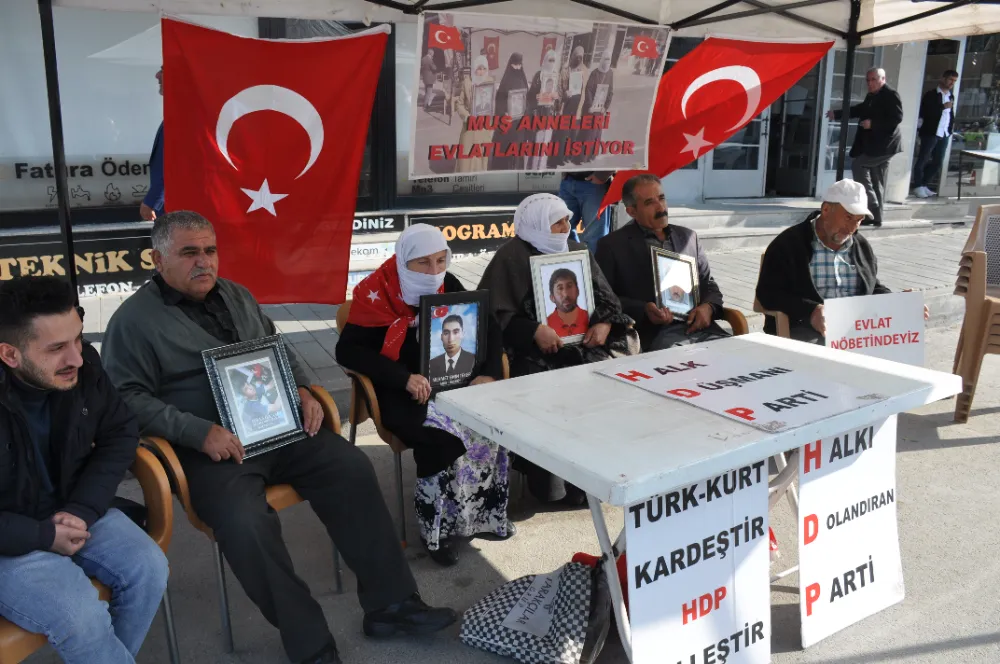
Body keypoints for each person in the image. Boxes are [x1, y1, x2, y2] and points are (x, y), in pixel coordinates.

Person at [101, 212, 455, 664]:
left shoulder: (237, 295)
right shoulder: (132, 321)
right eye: (189, 253)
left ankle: (392, 605)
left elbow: (278, 346)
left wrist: (303, 388)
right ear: (157, 259)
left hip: (278, 428)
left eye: (210, 250)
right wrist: (197, 431)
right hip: (210, 452)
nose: (204, 261)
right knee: (245, 523)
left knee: (351, 467)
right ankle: (310, 642)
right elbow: (125, 399)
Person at [0, 276, 169, 664]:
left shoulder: (83, 366)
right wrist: (42, 535)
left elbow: (120, 432)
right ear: (9, 354)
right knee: (80, 615)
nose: (76, 357)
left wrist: (82, 508)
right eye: (57, 348)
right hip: (9, 537)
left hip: (75, 505)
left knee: (148, 568)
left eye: (78, 338)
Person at [336, 224, 512, 567]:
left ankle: (481, 516)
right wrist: (403, 378)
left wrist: (489, 373)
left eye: (440, 260)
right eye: (423, 263)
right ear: (404, 261)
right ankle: (436, 530)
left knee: (494, 424)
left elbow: (488, 325)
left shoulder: (448, 284)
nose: (434, 272)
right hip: (400, 392)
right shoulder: (376, 293)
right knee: (442, 438)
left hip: (451, 381)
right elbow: (348, 351)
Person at [477, 193, 637, 505]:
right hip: (534, 352)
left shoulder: (577, 250)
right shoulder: (511, 257)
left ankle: (600, 477)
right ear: (536, 225)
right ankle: (556, 487)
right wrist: (533, 330)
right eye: (557, 222)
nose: (566, 227)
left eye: (567, 220)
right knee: (548, 392)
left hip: (584, 345)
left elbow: (608, 300)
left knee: (608, 385)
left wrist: (604, 323)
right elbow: (492, 315)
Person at [755, 180, 929, 344]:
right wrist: (810, 311)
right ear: (826, 210)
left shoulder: (860, 246)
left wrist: (898, 301)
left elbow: (871, 287)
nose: (852, 228)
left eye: (859, 220)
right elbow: (767, 293)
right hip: (807, 330)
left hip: (856, 332)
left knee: (896, 347)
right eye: (848, 217)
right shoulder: (789, 244)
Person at [596, 174, 729, 352]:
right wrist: (643, 309)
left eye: (662, 198)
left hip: (701, 329)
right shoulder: (612, 245)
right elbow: (603, 299)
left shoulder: (688, 237)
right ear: (632, 211)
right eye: (649, 202)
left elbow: (708, 284)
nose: (661, 207)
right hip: (654, 335)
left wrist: (709, 307)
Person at [826, 67, 903, 228]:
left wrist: (873, 124)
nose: (870, 83)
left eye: (873, 79)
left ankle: (870, 210)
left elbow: (896, 118)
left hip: (885, 146)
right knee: (876, 180)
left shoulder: (891, 95)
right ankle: (877, 217)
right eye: (868, 80)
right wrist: (837, 114)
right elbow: (860, 109)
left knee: (858, 165)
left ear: (883, 79)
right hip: (875, 146)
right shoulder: (872, 96)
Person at [913, 69, 960, 198]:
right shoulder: (931, 95)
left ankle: (924, 184)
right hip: (931, 132)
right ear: (943, 78)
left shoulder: (950, 95)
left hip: (944, 132)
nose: (952, 83)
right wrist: (942, 107)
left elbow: (950, 114)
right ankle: (917, 185)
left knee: (938, 161)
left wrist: (950, 128)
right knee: (923, 158)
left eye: (954, 81)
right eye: (950, 79)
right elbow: (926, 112)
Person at [550, 45, 589, 168]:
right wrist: (563, 97)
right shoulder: (565, 70)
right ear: (572, 56)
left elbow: (585, 90)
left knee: (572, 135)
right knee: (562, 134)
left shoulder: (584, 70)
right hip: (565, 106)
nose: (578, 60)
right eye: (576, 57)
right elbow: (559, 89)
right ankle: (558, 159)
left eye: (580, 58)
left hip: (577, 108)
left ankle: (567, 157)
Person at [489, 52, 529, 170]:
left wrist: (525, 109)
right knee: (505, 150)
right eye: (515, 64)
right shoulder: (505, 82)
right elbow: (499, 101)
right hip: (508, 122)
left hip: (519, 122)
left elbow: (527, 98)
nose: (517, 67)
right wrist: (503, 113)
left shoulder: (523, 79)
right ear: (511, 64)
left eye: (519, 64)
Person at [455, 55, 494, 173]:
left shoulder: (490, 82)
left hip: (484, 128)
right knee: (467, 157)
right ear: (474, 69)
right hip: (470, 127)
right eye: (479, 69)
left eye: (484, 69)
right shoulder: (467, 83)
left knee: (481, 157)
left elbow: (493, 105)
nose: (481, 72)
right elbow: (459, 104)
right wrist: (467, 117)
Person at [525, 50, 562, 170]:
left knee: (545, 145)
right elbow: (530, 96)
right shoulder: (539, 75)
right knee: (536, 144)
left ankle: (540, 170)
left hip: (550, 116)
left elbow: (559, 99)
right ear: (545, 60)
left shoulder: (556, 76)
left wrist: (557, 96)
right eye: (549, 60)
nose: (551, 63)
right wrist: (536, 96)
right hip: (538, 116)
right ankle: (532, 169)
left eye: (553, 61)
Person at [140, 67, 164, 221]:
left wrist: (153, 200)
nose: (157, 75)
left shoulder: (184, 115)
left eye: (164, 70)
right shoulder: (176, 113)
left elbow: (174, 164)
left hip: (178, 210)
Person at [428, 314, 478, 380]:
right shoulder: (432, 364)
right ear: (441, 337)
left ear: (462, 334)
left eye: (455, 332)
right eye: (446, 333)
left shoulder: (474, 360)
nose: (450, 339)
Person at [546, 268, 589, 337]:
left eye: (569, 286)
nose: (565, 294)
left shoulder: (591, 318)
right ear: (552, 297)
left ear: (577, 291)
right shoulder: (545, 325)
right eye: (560, 288)